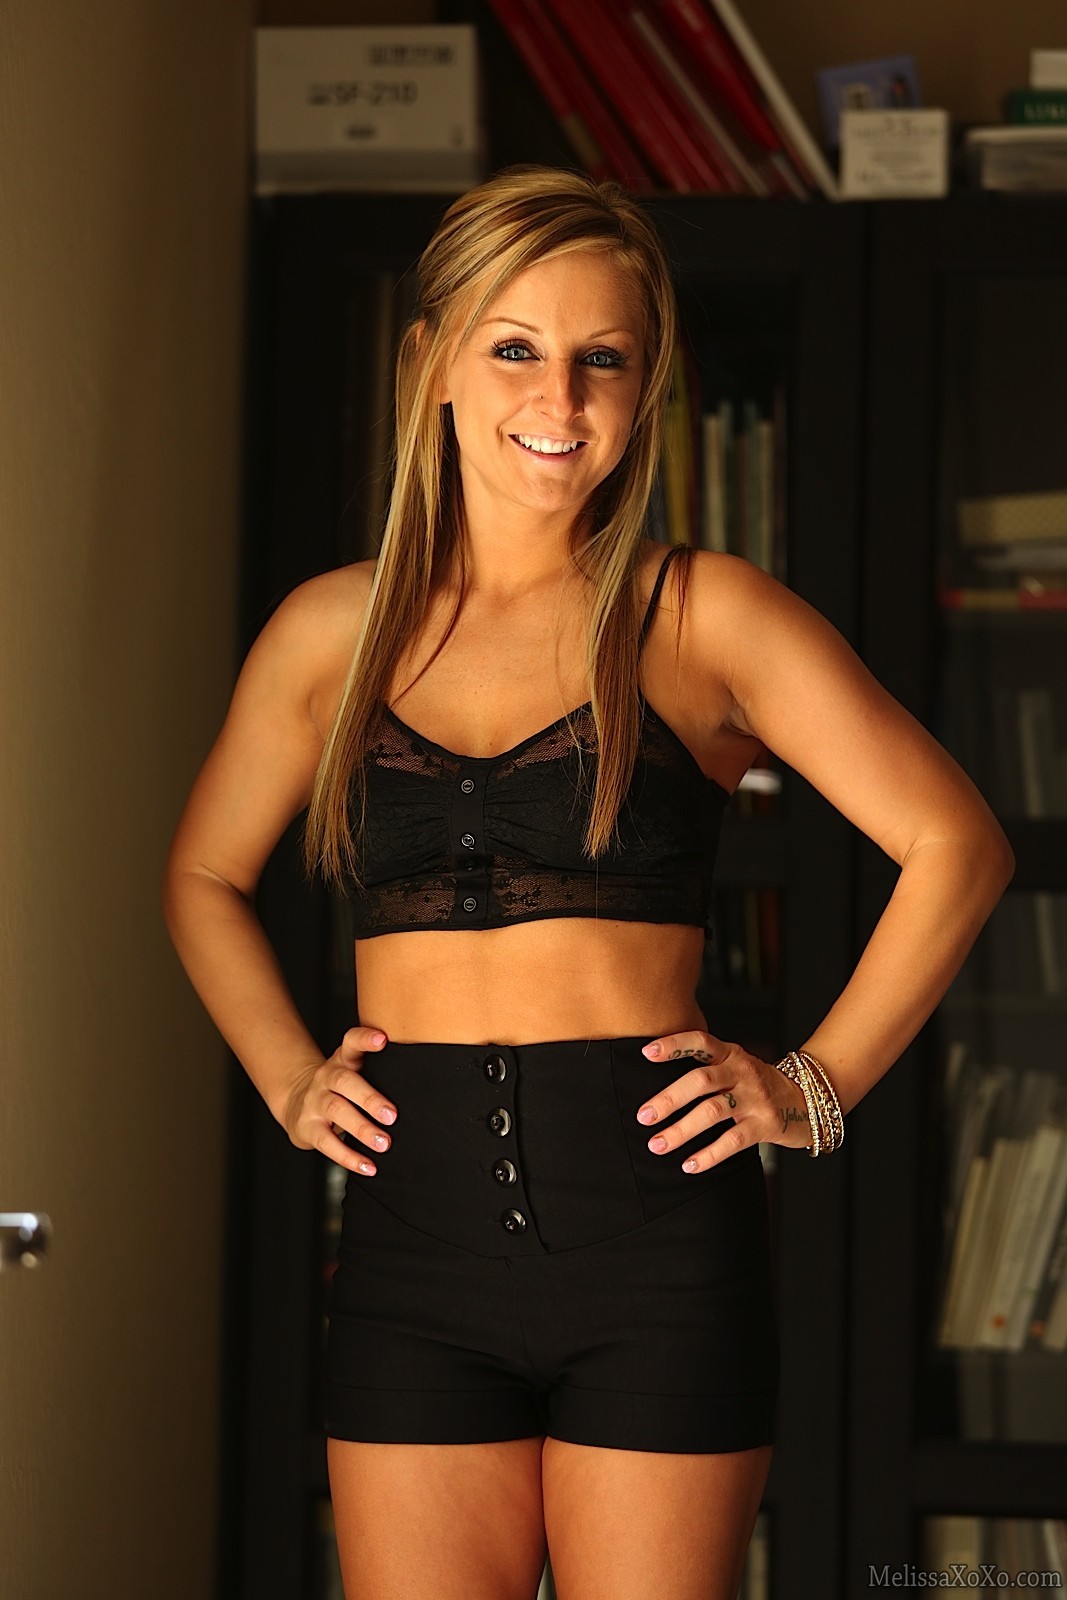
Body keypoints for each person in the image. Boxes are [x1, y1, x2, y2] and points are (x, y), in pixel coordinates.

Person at [162, 165, 1014, 1600]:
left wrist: (814, 1087)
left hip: (658, 1256)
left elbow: (958, 844)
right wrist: (288, 1077)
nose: (558, 398)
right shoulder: (327, 636)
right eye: (515, 347)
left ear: (646, 385)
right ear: (430, 361)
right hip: (409, 1257)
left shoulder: (704, 615)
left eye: (602, 359)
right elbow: (200, 873)